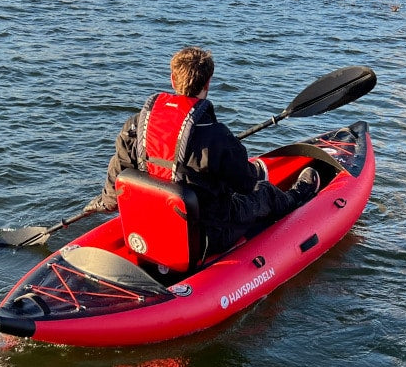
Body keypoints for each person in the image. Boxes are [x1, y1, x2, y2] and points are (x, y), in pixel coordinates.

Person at [85, 47, 320, 258]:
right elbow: (246, 186)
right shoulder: (217, 136)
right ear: (208, 83)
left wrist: (103, 202)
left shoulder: (136, 125)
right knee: (264, 191)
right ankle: (299, 196)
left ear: (173, 79)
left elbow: (117, 179)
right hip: (207, 233)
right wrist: (246, 167)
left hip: (155, 223)